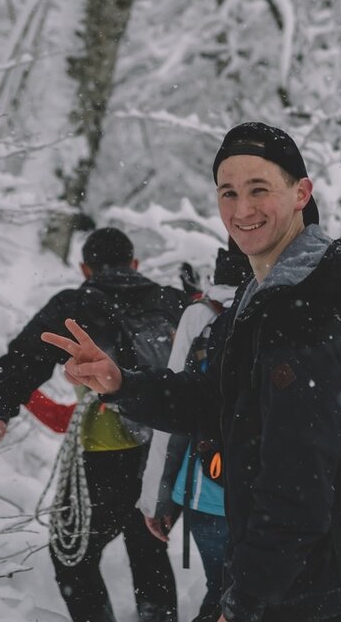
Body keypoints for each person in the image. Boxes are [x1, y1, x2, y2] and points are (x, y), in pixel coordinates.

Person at [43, 122, 341, 622]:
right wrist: (124, 383)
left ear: (302, 193)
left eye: (260, 189)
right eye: (228, 192)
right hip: (324, 574)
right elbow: (217, 401)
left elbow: (295, 489)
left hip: (308, 589)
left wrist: (242, 605)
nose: (241, 210)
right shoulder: (267, 296)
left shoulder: (303, 315)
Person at [0, 228, 185, 622]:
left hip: (105, 453)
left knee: (70, 552)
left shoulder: (77, 303)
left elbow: (24, 356)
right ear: (134, 263)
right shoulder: (169, 300)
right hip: (161, 451)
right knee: (148, 545)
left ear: (85, 267)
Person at [139, 245, 252, 622]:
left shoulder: (201, 316)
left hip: (209, 489)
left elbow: (174, 418)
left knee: (221, 589)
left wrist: (157, 499)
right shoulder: (294, 309)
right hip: (277, 491)